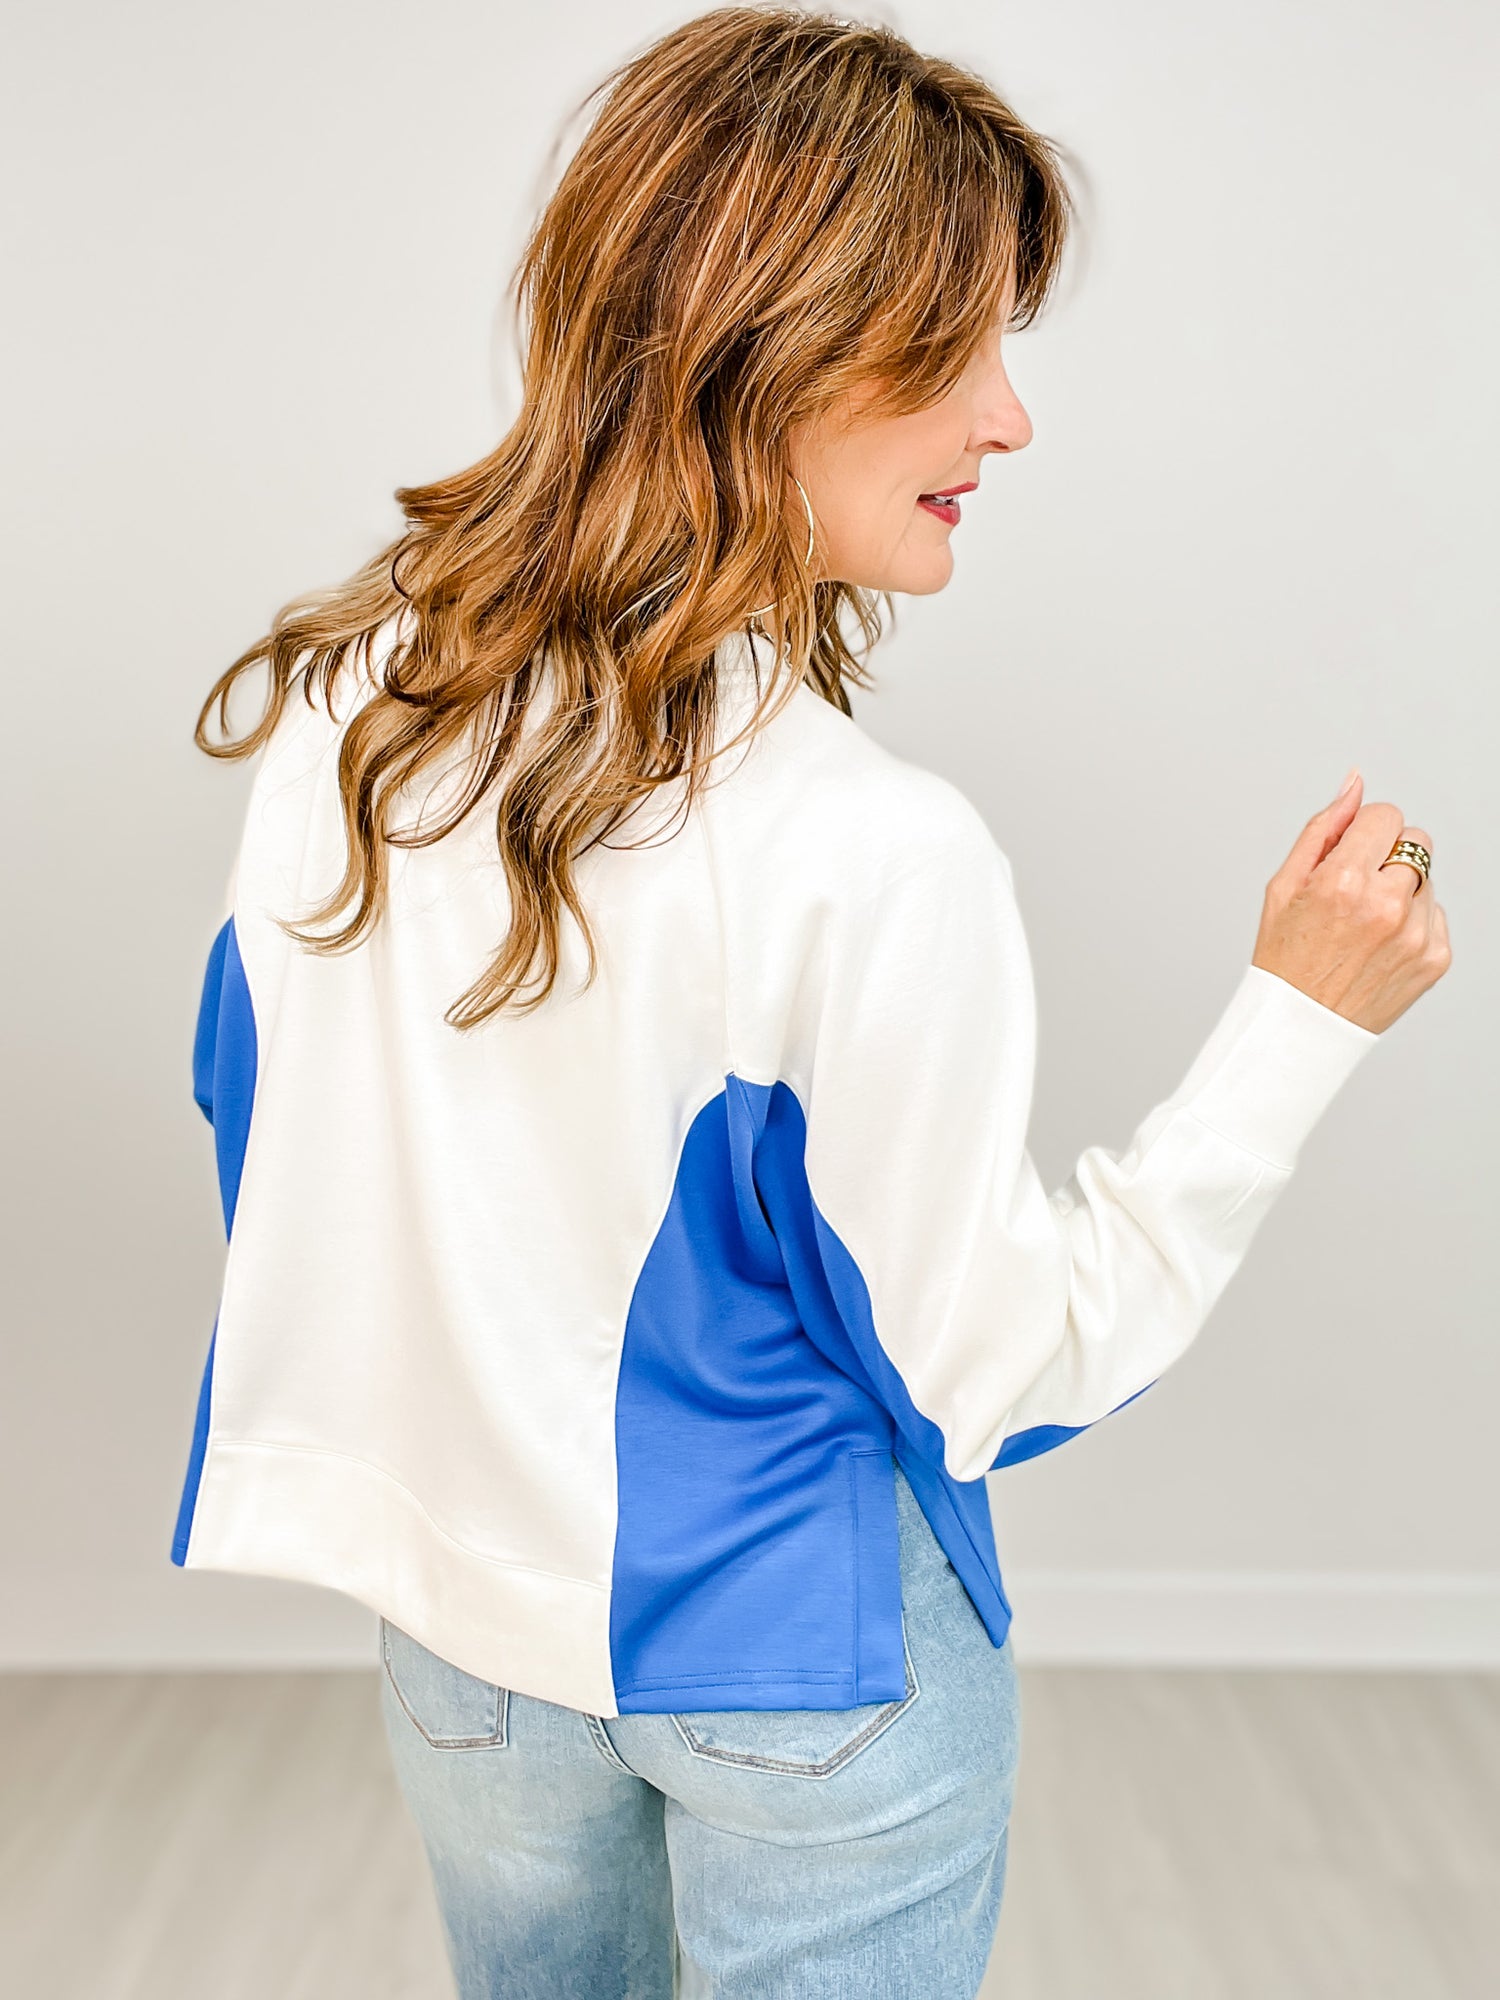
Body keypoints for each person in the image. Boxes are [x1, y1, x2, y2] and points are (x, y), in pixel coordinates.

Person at [167, 9, 1449, 1997]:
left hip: (464, 1651)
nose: (1010, 421)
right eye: (957, 352)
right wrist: (1302, 1017)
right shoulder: (868, 846)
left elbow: (269, 1135)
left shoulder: (352, 711)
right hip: (803, 1662)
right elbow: (996, 1371)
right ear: (768, 352)